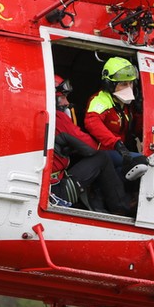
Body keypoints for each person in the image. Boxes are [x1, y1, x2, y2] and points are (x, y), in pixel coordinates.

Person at [50, 76, 133, 216]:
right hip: (56, 190)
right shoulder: (58, 118)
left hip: (48, 186)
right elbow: (90, 148)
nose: (67, 102)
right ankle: (121, 207)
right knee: (102, 157)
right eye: (63, 97)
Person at [84, 57, 149, 181]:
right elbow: (92, 121)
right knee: (139, 162)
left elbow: (137, 131)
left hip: (119, 151)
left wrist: (140, 113)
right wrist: (116, 143)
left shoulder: (125, 105)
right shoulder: (101, 100)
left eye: (131, 83)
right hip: (102, 152)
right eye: (124, 84)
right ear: (110, 84)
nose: (129, 88)